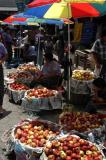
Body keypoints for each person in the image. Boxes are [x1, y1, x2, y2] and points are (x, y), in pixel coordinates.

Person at [0, 33, 8, 116]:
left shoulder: (0, 45)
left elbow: (6, 55)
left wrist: (1, 61)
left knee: (0, 88)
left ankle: (0, 107)